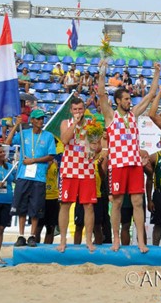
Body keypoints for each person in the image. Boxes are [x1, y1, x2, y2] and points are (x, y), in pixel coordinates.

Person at [97, 60, 161, 253]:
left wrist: (156, 72)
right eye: (125, 99)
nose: (129, 101)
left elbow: (150, 95)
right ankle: (116, 240)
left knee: (137, 202)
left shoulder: (133, 114)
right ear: (118, 101)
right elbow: (101, 94)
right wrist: (102, 72)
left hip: (134, 165)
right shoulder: (110, 116)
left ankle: (141, 241)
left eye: (129, 98)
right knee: (116, 203)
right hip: (117, 165)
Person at [5, 110, 56, 247]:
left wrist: (34, 160)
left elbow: (51, 156)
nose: (41, 121)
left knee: (36, 208)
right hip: (23, 175)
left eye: (42, 119)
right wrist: (16, 125)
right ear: (32, 120)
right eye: (38, 119)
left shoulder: (48, 136)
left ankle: (32, 236)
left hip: (39, 177)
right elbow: (8, 141)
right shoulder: (24, 134)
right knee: (21, 207)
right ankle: (21, 235)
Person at [56, 97, 100, 252]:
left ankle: (88, 240)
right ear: (71, 110)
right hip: (69, 169)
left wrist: (95, 147)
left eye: (80, 109)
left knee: (88, 206)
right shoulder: (65, 123)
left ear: (84, 109)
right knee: (65, 204)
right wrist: (74, 124)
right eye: (75, 109)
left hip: (87, 169)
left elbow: (98, 147)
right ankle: (62, 240)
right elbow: (65, 140)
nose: (78, 112)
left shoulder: (92, 125)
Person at [148, 136, 161, 246]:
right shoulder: (154, 157)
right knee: (158, 224)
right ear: (160, 142)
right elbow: (149, 180)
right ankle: (155, 248)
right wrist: (149, 200)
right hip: (159, 194)